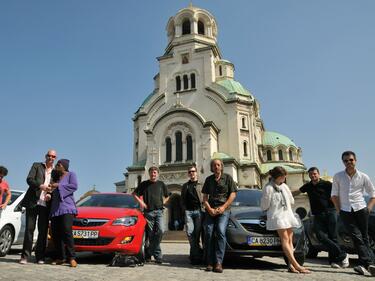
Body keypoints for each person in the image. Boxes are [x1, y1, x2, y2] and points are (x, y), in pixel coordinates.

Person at [293, 167, 349, 268]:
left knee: (333, 236)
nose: (313, 176)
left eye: (314, 174)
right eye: (311, 174)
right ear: (309, 176)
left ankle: (334, 261)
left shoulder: (327, 184)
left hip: (330, 212)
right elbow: (297, 191)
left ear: (318, 174)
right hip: (318, 215)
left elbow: (337, 194)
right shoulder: (308, 186)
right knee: (320, 236)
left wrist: (340, 208)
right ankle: (343, 254)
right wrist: (284, 192)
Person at [331, 151, 375, 276]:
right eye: (346, 160)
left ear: (355, 160)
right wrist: (339, 210)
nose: (348, 162)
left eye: (351, 160)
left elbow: (373, 194)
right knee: (356, 236)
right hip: (345, 211)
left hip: (361, 209)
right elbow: (334, 195)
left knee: (364, 237)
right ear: (343, 162)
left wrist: (369, 208)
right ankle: (369, 263)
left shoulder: (363, 176)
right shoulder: (338, 176)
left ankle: (363, 264)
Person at [261, 166, 310, 274]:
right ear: (278, 177)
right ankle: (297, 265)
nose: (285, 178)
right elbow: (264, 206)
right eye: (283, 176)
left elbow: (292, 201)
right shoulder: (268, 188)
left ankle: (291, 265)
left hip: (287, 215)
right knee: (285, 239)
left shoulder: (285, 186)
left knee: (290, 240)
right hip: (277, 216)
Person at [19, 149, 57, 265]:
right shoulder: (37, 166)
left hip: (45, 205)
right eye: (49, 155)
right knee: (29, 230)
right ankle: (25, 256)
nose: (51, 158)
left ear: (55, 158)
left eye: (53, 156)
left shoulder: (55, 172)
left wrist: (50, 194)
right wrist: (40, 186)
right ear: (46, 156)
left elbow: (55, 188)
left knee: (43, 231)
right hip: (33, 203)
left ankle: (40, 257)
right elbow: (29, 179)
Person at [202, 159, 237, 273]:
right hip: (211, 210)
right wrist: (210, 209)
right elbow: (205, 198)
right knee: (208, 232)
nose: (216, 167)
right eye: (214, 165)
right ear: (212, 167)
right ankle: (210, 262)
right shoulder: (208, 180)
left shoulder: (227, 178)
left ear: (221, 166)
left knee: (221, 231)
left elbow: (233, 194)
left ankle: (218, 262)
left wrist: (223, 207)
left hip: (224, 210)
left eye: (218, 165)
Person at [133, 166, 169, 264]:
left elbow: (167, 195)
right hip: (148, 212)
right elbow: (135, 194)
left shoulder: (161, 184)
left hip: (159, 211)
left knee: (161, 230)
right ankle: (158, 256)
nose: (153, 174)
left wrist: (163, 202)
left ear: (157, 174)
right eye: (152, 173)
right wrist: (142, 203)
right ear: (149, 174)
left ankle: (150, 251)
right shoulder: (144, 184)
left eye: (155, 173)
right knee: (151, 234)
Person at [49, 159, 78, 268]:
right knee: (56, 233)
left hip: (67, 207)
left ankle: (72, 258)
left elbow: (74, 186)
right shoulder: (55, 177)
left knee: (66, 230)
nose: (57, 166)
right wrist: (50, 190)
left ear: (64, 166)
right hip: (56, 208)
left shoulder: (71, 174)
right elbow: (51, 189)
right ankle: (61, 257)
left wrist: (58, 186)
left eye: (59, 165)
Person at [181, 164, 204, 265]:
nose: (191, 173)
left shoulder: (201, 184)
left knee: (197, 234)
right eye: (190, 172)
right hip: (189, 212)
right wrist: (184, 209)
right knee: (190, 233)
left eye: (193, 171)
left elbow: (205, 198)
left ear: (196, 172)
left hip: (199, 211)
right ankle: (197, 253)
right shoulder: (185, 186)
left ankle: (194, 256)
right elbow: (182, 199)